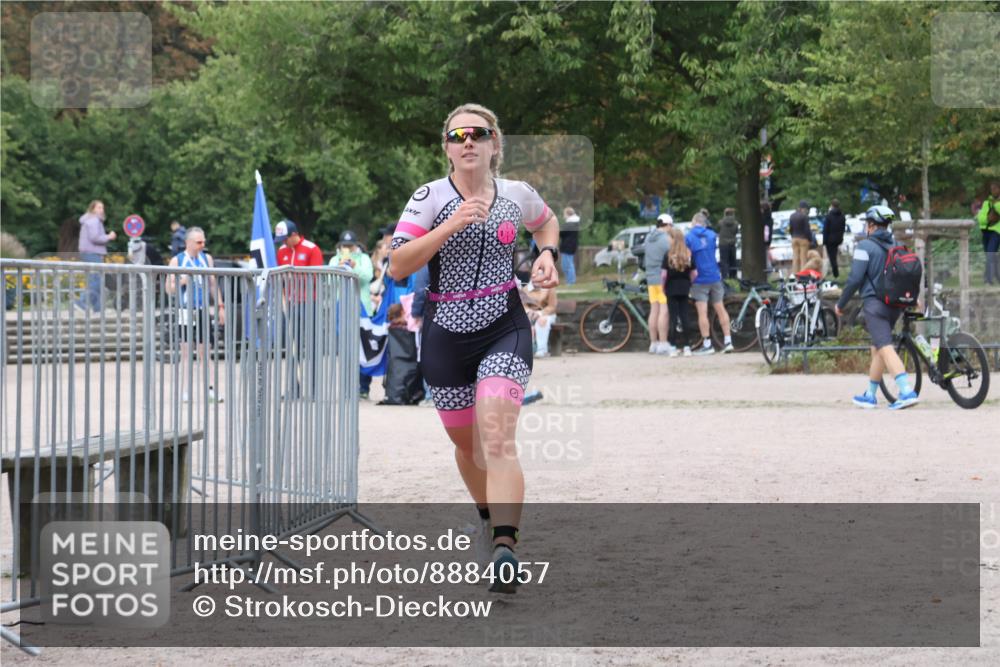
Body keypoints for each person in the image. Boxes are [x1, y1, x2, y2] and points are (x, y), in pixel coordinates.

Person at [389, 103, 559, 593]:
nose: (468, 141)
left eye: (478, 134)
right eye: (457, 134)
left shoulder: (516, 194)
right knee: (468, 447)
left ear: (493, 145)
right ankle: (487, 517)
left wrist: (545, 253)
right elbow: (398, 265)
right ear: (446, 147)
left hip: (504, 325)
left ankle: (506, 547)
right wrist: (451, 225)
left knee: (497, 435)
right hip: (445, 333)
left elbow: (545, 223)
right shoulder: (429, 197)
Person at [834, 205, 918, 410]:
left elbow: (854, 279)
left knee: (885, 348)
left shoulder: (865, 247)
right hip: (895, 305)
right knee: (878, 347)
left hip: (875, 305)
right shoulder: (897, 244)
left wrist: (841, 304)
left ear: (871, 225)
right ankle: (870, 395)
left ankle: (906, 390)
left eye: (867, 224)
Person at [166, 227, 224, 403]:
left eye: (204, 241)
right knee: (185, 352)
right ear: (189, 243)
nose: (202, 245)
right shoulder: (177, 261)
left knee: (205, 352)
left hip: (203, 309)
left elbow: (213, 284)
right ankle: (185, 391)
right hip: (185, 310)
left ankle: (211, 389)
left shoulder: (206, 259)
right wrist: (183, 280)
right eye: (199, 242)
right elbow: (169, 289)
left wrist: (220, 306)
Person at [275, 219, 324, 398]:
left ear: (294, 235)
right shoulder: (282, 251)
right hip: (290, 303)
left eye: (285, 239)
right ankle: (293, 388)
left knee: (311, 346)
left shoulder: (312, 249)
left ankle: (312, 389)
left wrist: (293, 275)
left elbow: (316, 276)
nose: (283, 243)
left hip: (309, 302)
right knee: (290, 346)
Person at [330, 229, 375, 398]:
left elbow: (368, 277)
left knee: (363, 347)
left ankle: (364, 387)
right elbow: (328, 280)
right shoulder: (335, 259)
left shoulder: (363, 258)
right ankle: (348, 386)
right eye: (344, 245)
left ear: (356, 245)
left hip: (361, 306)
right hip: (341, 306)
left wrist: (354, 267)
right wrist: (339, 267)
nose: (347, 248)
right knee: (344, 348)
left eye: (350, 245)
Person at [685, 212, 733, 355]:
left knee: (702, 312)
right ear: (705, 223)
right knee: (720, 308)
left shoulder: (689, 237)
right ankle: (728, 341)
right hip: (714, 276)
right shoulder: (712, 235)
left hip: (699, 279)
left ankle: (707, 344)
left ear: (694, 222)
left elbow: (688, 259)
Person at [75, 200, 116, 312]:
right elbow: (95, 237)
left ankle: (98, 308)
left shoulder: (90, 220)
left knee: (96, 280)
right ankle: (82, 302)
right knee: (97, 280)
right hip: (91, 253)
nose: (101, 210)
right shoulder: (94, 220)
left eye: (102, 208)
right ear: (92, 209)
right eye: (98, 207)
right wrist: (109, 237)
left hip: (89, 253)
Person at [663, 226, 697, 357]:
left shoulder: (668, 254)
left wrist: (662, 287)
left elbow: (663, 275)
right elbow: (695, 273)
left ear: (673, 239)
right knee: (685, 317)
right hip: (684, 288)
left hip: (671, 288)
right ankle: (687, 346)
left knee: (673, 317)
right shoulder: (688, 253)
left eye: (669, 237)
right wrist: (690, 282)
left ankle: (672, 346)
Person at [644, 213, 673, 354]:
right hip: (662, 280)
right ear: (667, 225)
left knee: (653, 310)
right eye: (670, 226)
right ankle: (663, 343)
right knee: (664, 310)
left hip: (650, 279)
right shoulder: (666, 240)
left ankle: (653, 343)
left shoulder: (648, 238)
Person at [522, 281, 558, 357]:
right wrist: (529, 311)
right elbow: (523, 305)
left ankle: (542, 350)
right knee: (524, 322)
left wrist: (539, 313)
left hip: (547, 314)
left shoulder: (550, 288)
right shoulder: (525, 289)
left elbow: (552, 306)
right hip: (530, 314)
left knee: (542, 321)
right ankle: (527, 351)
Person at [977, 181, 1000, 285]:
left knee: (990, 253)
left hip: (996, 231)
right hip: (985, 231)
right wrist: (986, 219)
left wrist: (995, 205)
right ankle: (997, 276)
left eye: (995, 188)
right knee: (989, 255)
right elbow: (980, 217)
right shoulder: (987, 202)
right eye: (992, 189)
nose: (993, 190)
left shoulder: (995, 202)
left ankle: (988, 279)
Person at [823, 199, 847, 279]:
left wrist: (824, 241)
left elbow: (826, 229)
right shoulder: (842, 216)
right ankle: (835, 271)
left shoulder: (829, 216)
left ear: (832, 205)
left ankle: (835, 273)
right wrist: (841, 238)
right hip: (838, 239)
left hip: (830, 240)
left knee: (832, 257)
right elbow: (843, 228)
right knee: (835, 255)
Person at [559, 207, 580, 285]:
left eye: (564, 214)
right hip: (570, 246)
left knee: (567, 265)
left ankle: (571, 281)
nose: (564, 216)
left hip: (567, 246)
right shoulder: (574, 223)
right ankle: (570, 280)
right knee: (567, 264)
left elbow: (561, 233)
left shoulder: (569, 224)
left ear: (568, 214)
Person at [789, 200, 812, 273]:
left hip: (794, 239)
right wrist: (810, 239)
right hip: (803, 239)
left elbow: (791, 228)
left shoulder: (792, 216)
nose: (806, 211)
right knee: (803, 259)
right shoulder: (804, 216)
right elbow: (807, 230)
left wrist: (792, 236)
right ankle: (803, 275)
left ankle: (795, 274)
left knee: (795, 258)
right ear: (804, 208)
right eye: (806, 209)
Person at [717, 207, 739, 280]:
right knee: (733, 260)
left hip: (723, 244)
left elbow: (718, 229)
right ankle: (733, 276)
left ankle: (724, 277)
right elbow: (736, 232)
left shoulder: (720, 222)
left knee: (724, 261)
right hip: (732, 243)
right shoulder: (735, 223)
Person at [761, 201, 774, 271]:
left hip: (763, 239)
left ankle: (768, 269)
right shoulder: (770, 218)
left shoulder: (762, 218)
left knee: (764, 255)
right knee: (766, 254)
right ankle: (768, 268)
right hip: (767, 239)